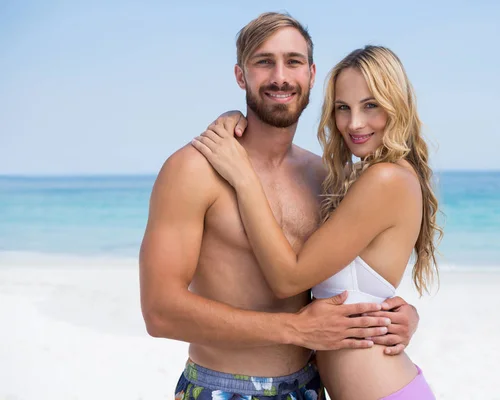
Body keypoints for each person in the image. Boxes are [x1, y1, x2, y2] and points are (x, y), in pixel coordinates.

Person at [139, 12, 420, 400]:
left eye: (293, 62)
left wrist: (399, 314)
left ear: (311, 74)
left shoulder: (325, 178)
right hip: (223, 388)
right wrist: (294, 329)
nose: (280, 77)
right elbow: (160, 311)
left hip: (309, 388)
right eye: (264, 62)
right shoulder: (193, 170)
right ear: (241, 76)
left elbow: (349, 278)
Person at [192, 44, 440, 399]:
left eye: (370, 105)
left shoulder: (385, 180)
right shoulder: (367, 179)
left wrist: (243, 178)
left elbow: (288, 278)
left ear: (396, 104)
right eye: (343, 108)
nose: (354, 123)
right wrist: (235, 116)